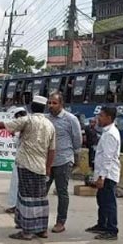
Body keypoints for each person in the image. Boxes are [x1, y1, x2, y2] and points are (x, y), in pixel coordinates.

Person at [0, 95, 56, 240]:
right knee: (40, 198)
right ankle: (42, 229)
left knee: (26, 197)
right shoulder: (49, 125)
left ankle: (27, 231)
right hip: (41, 166)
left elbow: (5, 125)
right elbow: (52, 150)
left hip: (26, 164)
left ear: (31, 107)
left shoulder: (28, 120)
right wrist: (48, 167)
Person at [46, 92, 82, 233]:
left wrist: (76, 158)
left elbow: (77, 139)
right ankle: (40, 220)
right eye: (49, 103)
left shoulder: (70, 119)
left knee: (62, 192)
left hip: (64, 160)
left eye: (54, 103)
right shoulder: (45, 119)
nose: (51, 106)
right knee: (42, 191)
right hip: (47, 162)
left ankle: (61, 222)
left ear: (61, 104)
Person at [86, 106, 122, 241]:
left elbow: (108, 158)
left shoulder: (111, 134)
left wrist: (102, 177)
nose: (98, 118)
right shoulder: (106, 132)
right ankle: (102, 224)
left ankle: (112, 229)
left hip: (108, 175)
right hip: (103, 173)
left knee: (109, 202)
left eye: (101, 116)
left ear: (109, 118)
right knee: (101, 200)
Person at [5, 107, 27, 213]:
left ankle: (17, 206)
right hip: (21, 159)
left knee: (19, 183)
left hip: (25, 160)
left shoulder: (25, 126)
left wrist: (13, 135)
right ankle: (16, 205)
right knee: (16, 183)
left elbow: (18, 142)